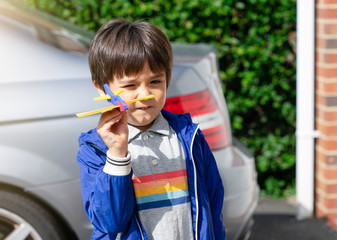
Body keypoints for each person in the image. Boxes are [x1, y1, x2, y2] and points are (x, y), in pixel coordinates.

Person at [77, 18, 226, 240]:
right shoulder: (95, 149)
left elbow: (213, 203)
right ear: (102, 88)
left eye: (155, 82)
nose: (144, 94)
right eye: (130, 85)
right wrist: (117, 155)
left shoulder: (189, 136)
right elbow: (109, 222)